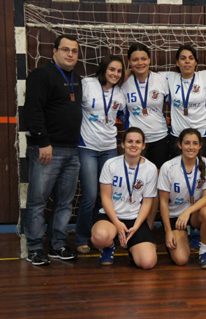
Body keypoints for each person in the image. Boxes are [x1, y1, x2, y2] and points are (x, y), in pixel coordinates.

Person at [23, 34, 82, 265]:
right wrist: (42, 141)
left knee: (65, 202)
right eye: (65, 49)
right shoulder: (41, 75)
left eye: (74, 51)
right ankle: (35, 247)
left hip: (73, 150)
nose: (70, 54)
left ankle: (57, 244)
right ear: (54, 51)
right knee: (38, 201)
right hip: (48, 149)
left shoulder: (75, 78)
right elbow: (33, 111)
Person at [75, 55, 126, 254]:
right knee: (89, 195)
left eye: (119, 71)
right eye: (112, 69)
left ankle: (100, 237)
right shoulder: (87, 84)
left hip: (109, 149)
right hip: (87, 147)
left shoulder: (120, 93)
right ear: (104, 69)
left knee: (105, 198)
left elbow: (123, 118)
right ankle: (82, 237)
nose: (115, 74)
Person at [91, 127, 158, 269]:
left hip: (135, 218)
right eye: (130, 141)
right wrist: (117, 222)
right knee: (99, 237)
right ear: (122, 144)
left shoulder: (151, 168)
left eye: (138, 142)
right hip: (110, 216)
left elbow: (147, 203)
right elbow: (105, 198)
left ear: (143, 145)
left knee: (148, 263)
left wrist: (136, 226)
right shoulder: (111, 164)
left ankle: (133, 249)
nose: (133, 145)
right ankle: (109, 246)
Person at [121, 42, 169, 230]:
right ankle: (130, 223)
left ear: (149, 60)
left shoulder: (162, 80)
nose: (140, 62)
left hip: (159, 138)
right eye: (135, 59)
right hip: (135, 143)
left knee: (154, 186)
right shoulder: (123, 82)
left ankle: (147, 227)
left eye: (143, 58)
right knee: (134, 183)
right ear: (129, 62)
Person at [158, 129, 206, 269]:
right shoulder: (168, 167)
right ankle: (186, 235)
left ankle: (204, 252)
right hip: (175, 216)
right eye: (187, 143)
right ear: (180, 145)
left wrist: (188, 211)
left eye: (195, 143)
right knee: (181, 259)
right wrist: (168, 232)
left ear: (200, 145)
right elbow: (163, 202)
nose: (191, 147)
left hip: (194, 213)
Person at [163, 45, 206, 160]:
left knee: (203, 171)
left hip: (202, 134)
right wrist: (127, 73)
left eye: (191, 58)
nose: (187, 61)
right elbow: (144, 74)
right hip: (178, 135)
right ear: (177, 62)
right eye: (183, 58)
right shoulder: (169, 77)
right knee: (178, 173)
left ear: (196, 62)